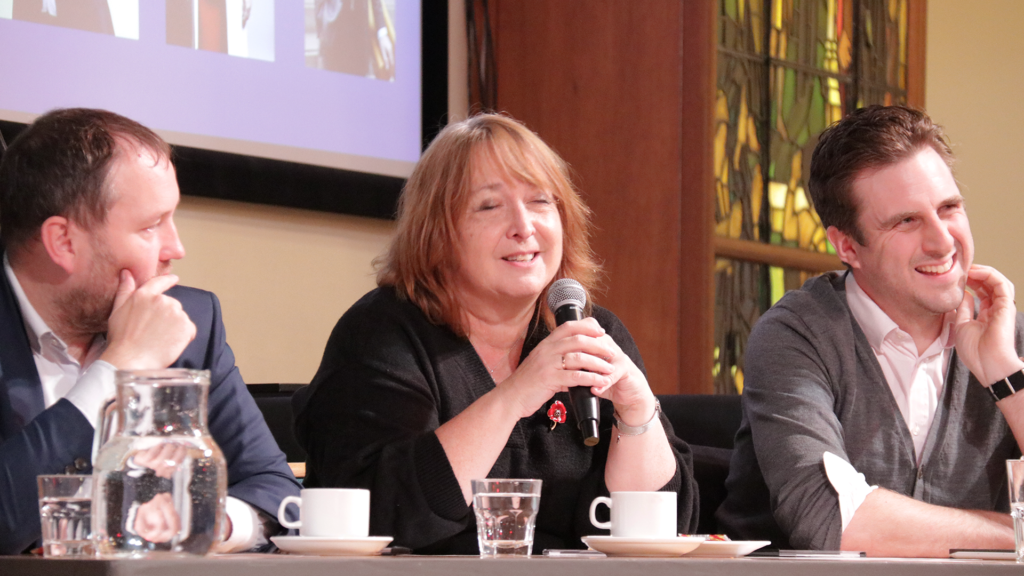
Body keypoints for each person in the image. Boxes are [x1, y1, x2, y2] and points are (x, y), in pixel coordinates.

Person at [293, 113, 699, 553]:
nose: (524, 226)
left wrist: (637, 411)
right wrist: (515, 395)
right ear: (437, 232)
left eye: (541, 202)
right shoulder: (384, 334)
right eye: (490, 206)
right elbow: (380, 514)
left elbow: (665, 529)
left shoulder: (590, 331)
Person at [716, 105, 1024, 557]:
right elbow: (833, 520)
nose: (943, 241)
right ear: (847, 246)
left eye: (949, 208)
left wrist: (1006, 376)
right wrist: (1015, 533)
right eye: (906, 221)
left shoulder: (1005, 335)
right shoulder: (797, 335)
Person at [0, 108, 301, 554]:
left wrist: (201, 522)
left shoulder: (190, 322)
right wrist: (120, 366)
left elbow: (276, 490)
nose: (176, 248)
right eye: (150, 226)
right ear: (62, 241)